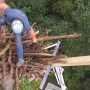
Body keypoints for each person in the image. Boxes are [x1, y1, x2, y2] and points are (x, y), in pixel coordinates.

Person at [0, 2, 37, 67]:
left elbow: (31, 31)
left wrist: (34, 41)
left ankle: (21, 59)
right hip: (7, 19)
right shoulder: (9, 13)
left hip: (18, 23)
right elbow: (2, 4)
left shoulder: (26, 24)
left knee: (18, 40)